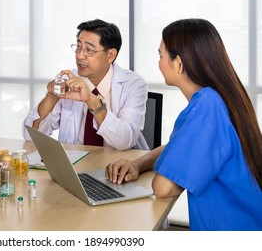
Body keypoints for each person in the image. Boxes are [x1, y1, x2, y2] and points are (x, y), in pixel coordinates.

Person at [105, 19, 262, 231]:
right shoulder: (216, 99)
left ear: (178, 63)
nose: (159, 63)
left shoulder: (207, 106)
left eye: (161, 55)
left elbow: (163, 188)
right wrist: (138, 164)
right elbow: (177, 148)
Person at [22, 19, 149, 150]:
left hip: (117, 165)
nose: (80, 56)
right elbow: (30, 136)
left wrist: (91, 100)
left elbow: (125, 141)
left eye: (89, 50)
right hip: (76, 165)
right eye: (78, 47)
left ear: (110, 55)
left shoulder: (134, 84)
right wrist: (51, 97)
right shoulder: (67, 80)